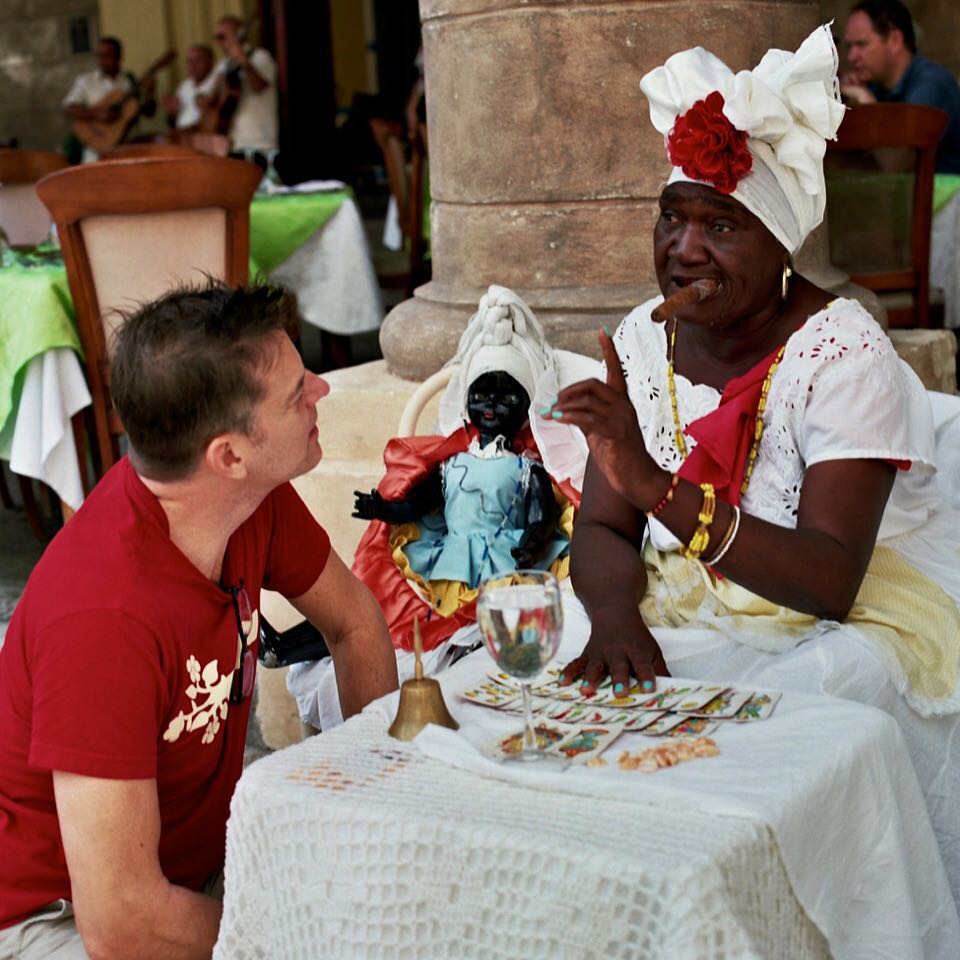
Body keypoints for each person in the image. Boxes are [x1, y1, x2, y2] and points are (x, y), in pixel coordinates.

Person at [547, 24, 960, 906]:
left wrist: (655, 482)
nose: (684, 250)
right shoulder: (638, 339)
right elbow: (607, 528)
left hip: (815, 616)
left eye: (721, 225)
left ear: (781, 248)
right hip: (674, 594)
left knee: (768, 744)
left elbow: (828, 582)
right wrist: (616, 619)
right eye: (673, 217)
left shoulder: (841, 352)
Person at [0, 283, 398, 958]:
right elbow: (120, 922)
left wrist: (379, 801)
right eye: (296, 392)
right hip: (57, 918)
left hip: (194, 874)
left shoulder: (250, 501)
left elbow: (355, 624)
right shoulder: (102, 618)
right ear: (230, 456)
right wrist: (292, 940)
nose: (322, 393)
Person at [288, 286, 594, 732]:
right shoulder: (452, 462)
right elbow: (423, 500)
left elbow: (542, 515)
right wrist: (386, 508)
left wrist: (534, 542)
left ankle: (467, 668)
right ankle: (300, 644)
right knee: (387, 608)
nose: (490, 406)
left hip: (503, 560)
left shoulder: (528, 469)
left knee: (456, 626)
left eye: (505, 398)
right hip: (449, 556)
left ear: (527, 406)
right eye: (481, 396)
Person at [841, 0, 960, 173]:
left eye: (861, 45)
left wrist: (867, 105)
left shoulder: (933, 84)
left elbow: (896, 164)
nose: (852, 56)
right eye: (849, 46)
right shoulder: (876, 86)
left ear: (894, 40)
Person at [62, 36, 154, 163]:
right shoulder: (86, 81)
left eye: (107, 56)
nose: (102, 60)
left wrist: (150, 93)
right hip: (96, 150)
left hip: (129, 149)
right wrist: (97, 114)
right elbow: (68, 107)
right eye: (99, 56)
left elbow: (149, 112)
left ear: (119, 57)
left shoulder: (131, 81)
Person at [204, 15, 278, 161]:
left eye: (222, 36)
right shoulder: (223, 65)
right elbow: (209, 99)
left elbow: (260, 87)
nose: (218, 42)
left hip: (259, 141)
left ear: (238, 34)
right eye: (216, 38)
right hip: (232, 141)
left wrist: (244, 62)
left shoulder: (260, 56)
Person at [163, 44, 217, 130]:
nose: (193, 65)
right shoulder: (184, 86)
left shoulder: (217, 81)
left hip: (205, 135)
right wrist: (172, 112)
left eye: (198, 60)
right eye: (189, 61)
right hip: (182, 135)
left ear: (211, 61)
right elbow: (172, 123)